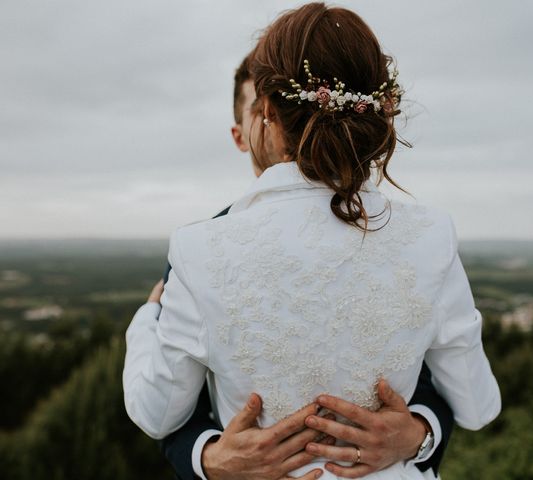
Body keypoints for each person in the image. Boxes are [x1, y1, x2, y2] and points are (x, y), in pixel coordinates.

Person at [124, 3, 501, 479]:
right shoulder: (432, 236)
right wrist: (420, 430)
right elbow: (478, 404)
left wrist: (145, 321)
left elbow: (156, 414)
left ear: (267, 112)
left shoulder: (200, 249)